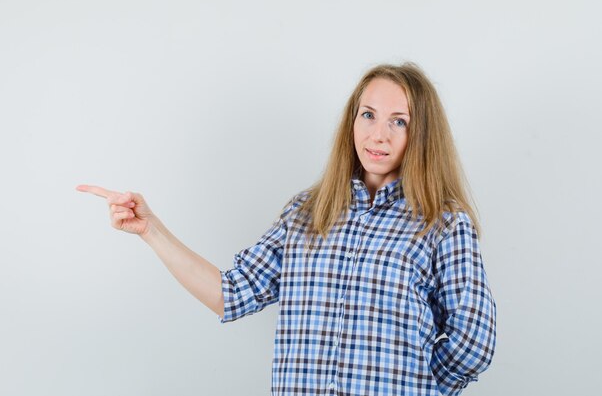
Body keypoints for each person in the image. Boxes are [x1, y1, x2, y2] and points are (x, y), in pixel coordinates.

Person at [77, 62, 496, 396]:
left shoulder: (443, 223)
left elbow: (473, 343)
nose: (377, 134)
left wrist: (417, 385)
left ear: (420, 134)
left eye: (398, 121)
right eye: (368, 115)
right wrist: (151, 230)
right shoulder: (306, 213)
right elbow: (232, 293)